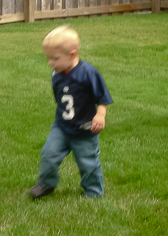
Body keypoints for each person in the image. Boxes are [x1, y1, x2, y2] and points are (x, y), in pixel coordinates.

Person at [29, 26, 113, 199]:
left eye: (55, 59)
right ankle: (46, 183)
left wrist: (100, 115)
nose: (50, 63)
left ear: (73, 55)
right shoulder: (57, 74)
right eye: (49, 58)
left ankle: (94, 191)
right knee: (49, 153)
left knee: (87, 162)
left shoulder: (88, 73)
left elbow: (102, 96)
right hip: (62, 127)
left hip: (85, 130)